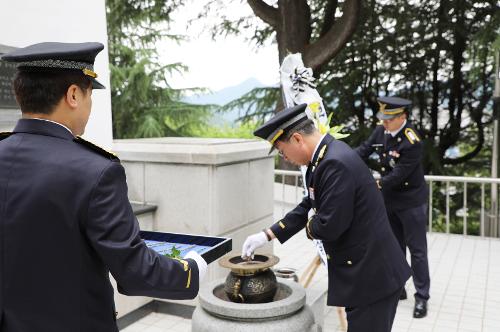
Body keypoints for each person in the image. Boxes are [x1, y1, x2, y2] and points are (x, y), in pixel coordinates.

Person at [0, 42, 207, 332]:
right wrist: (191, 271)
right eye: (89, 95)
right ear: (73, 95)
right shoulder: (96, 171)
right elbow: (135, 270)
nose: (89, 106)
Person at [242, 103, 411, 332]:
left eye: (282, 151)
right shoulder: (324, 157)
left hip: (371, 278)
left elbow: (329, 226)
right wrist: (268, 234)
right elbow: (309, 204)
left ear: (298, 139)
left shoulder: (333, 163)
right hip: (365, 272)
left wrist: (311, 226)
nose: (285, 158)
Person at [355, 96, 430, 318]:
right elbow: (364, 150)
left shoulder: (412, 141)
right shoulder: (381, 132)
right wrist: (340, 159)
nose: (384, 123)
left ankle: (422, 297)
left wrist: (372, 184)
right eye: (383, 118)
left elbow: (398, 175)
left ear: (402, 117)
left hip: (411, 202)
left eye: (389, 119)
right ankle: (399, 288)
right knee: (395, 248)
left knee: (417, 251)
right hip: (389, 201)